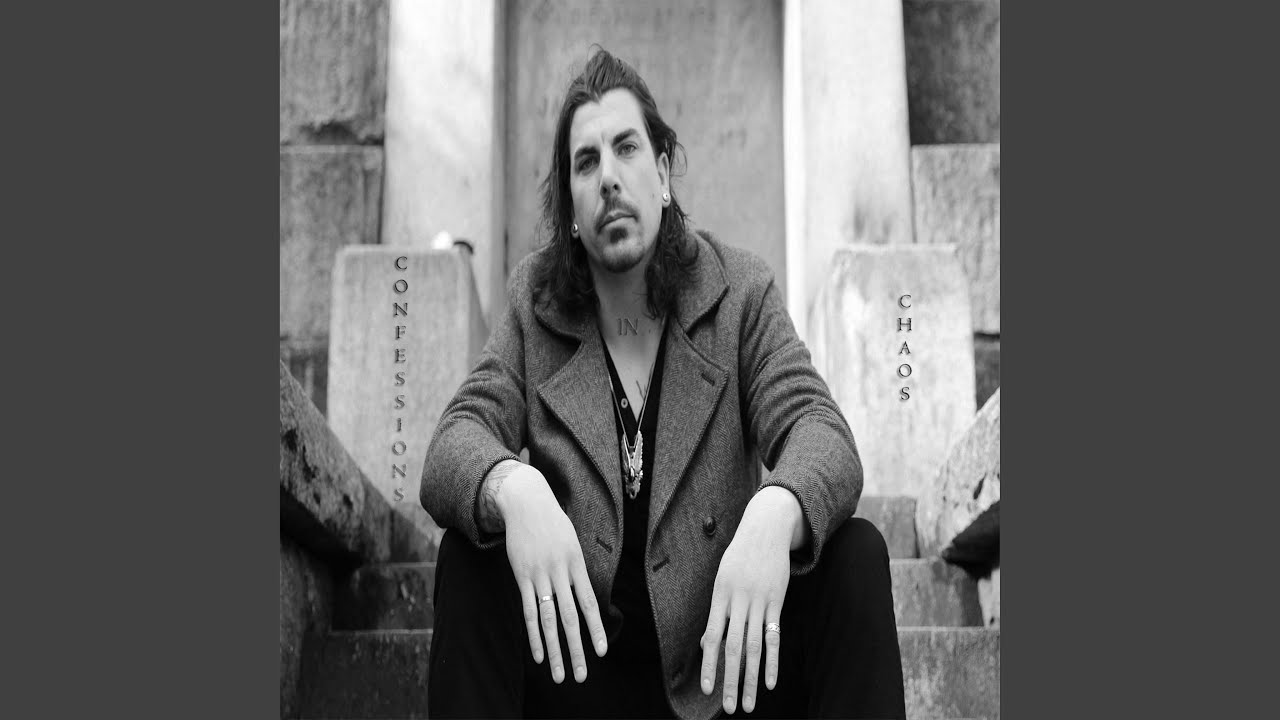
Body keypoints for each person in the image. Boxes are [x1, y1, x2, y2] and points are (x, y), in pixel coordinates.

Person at [420, 48, 906, 720]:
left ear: (663, 175)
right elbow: (453, 444)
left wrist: (777, 509)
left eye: (626, 149)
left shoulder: (738, 293)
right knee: (469, 558)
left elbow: (822, 433)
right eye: (586, 163)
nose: (609, 179)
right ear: (571, 210)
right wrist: (514, 488)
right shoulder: (538, 308)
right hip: (582, 677)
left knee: (855, 554)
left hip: (726, 675)